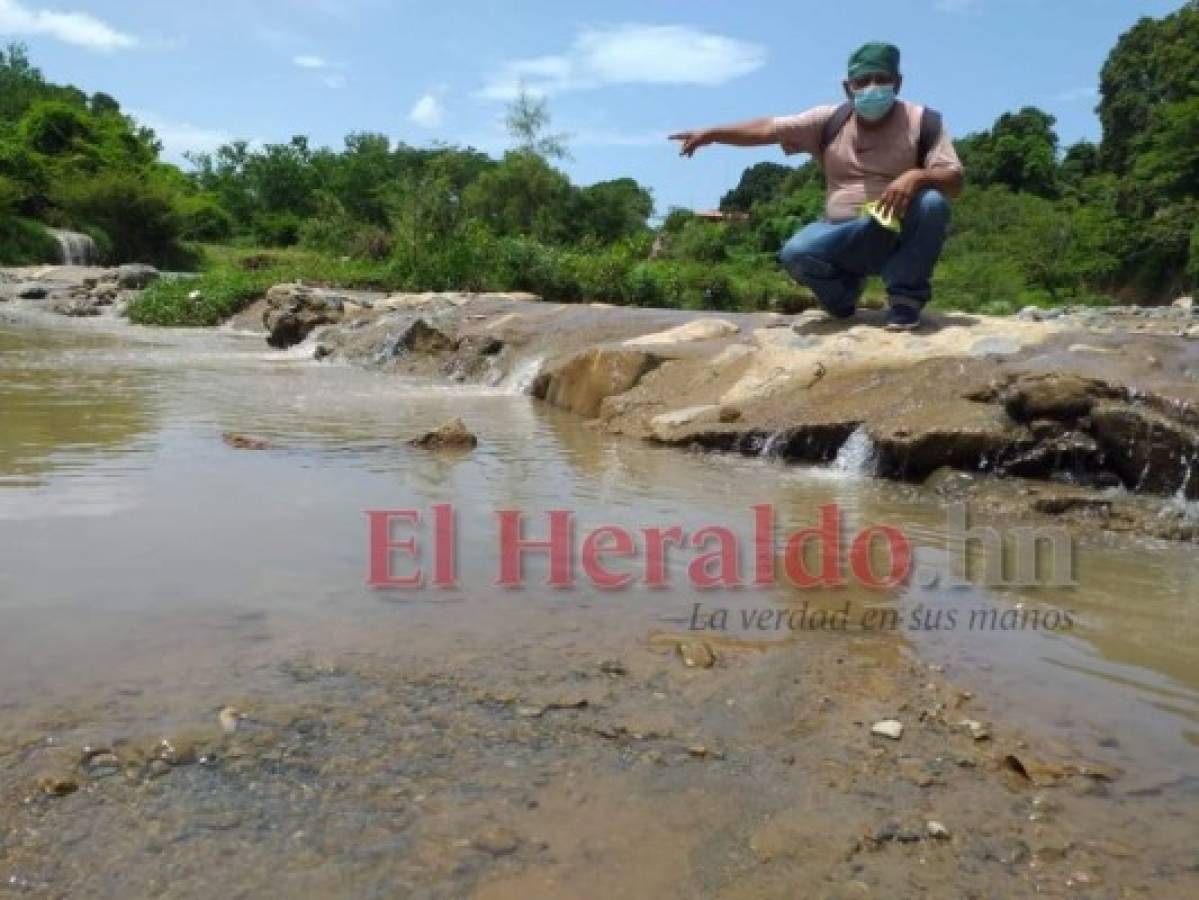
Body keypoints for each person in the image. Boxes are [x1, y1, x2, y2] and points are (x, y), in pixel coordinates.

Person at [670, 42, 964, 331]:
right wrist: (712, 133)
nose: (873, 87)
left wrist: (916, 176)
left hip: (893, 230)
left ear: (898, 83)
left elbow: (954, 179)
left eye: (882, 79)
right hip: (840, 234)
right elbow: (766, 128)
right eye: (863, 81)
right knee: (795, 253)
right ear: (848, 88)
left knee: (932, 202)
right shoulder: (829, 120)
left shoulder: (922, 121)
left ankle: (905, 301)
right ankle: (843, 295)